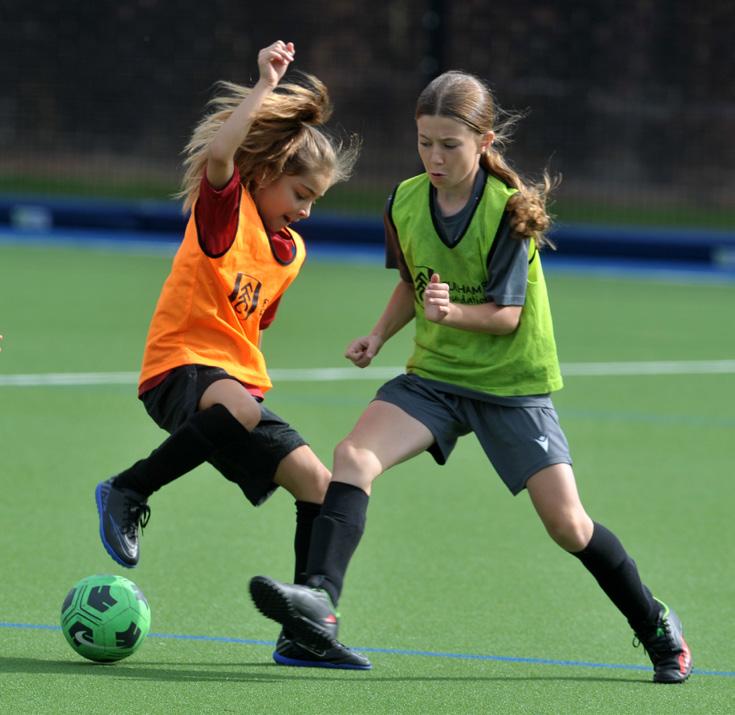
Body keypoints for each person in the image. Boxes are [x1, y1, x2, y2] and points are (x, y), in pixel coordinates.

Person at [248, 70, 692, 684]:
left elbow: (506, 317)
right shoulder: (405, 201)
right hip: (435, 377)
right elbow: (413, 282)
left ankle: (656, 625)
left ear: (484, 142)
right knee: (353, 456)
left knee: (568, 525)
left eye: (449, 145)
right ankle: (320, 603)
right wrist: (379, 335)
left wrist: (449, 312)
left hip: (511, 386)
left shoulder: (506, 210)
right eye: (424, 142)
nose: (434, 157)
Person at [94, 40, 370, 670]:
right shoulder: (226, 211)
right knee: (241, 407)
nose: (306, 210)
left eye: (315, 200)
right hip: (177, 368)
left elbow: (254, 322)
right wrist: (265, 86)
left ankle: (303, 632)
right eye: (300, 192)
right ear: (266, 174)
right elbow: (221, 154)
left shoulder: (291, 253)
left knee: (320, 485)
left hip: (234, 388)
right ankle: (128, 489)